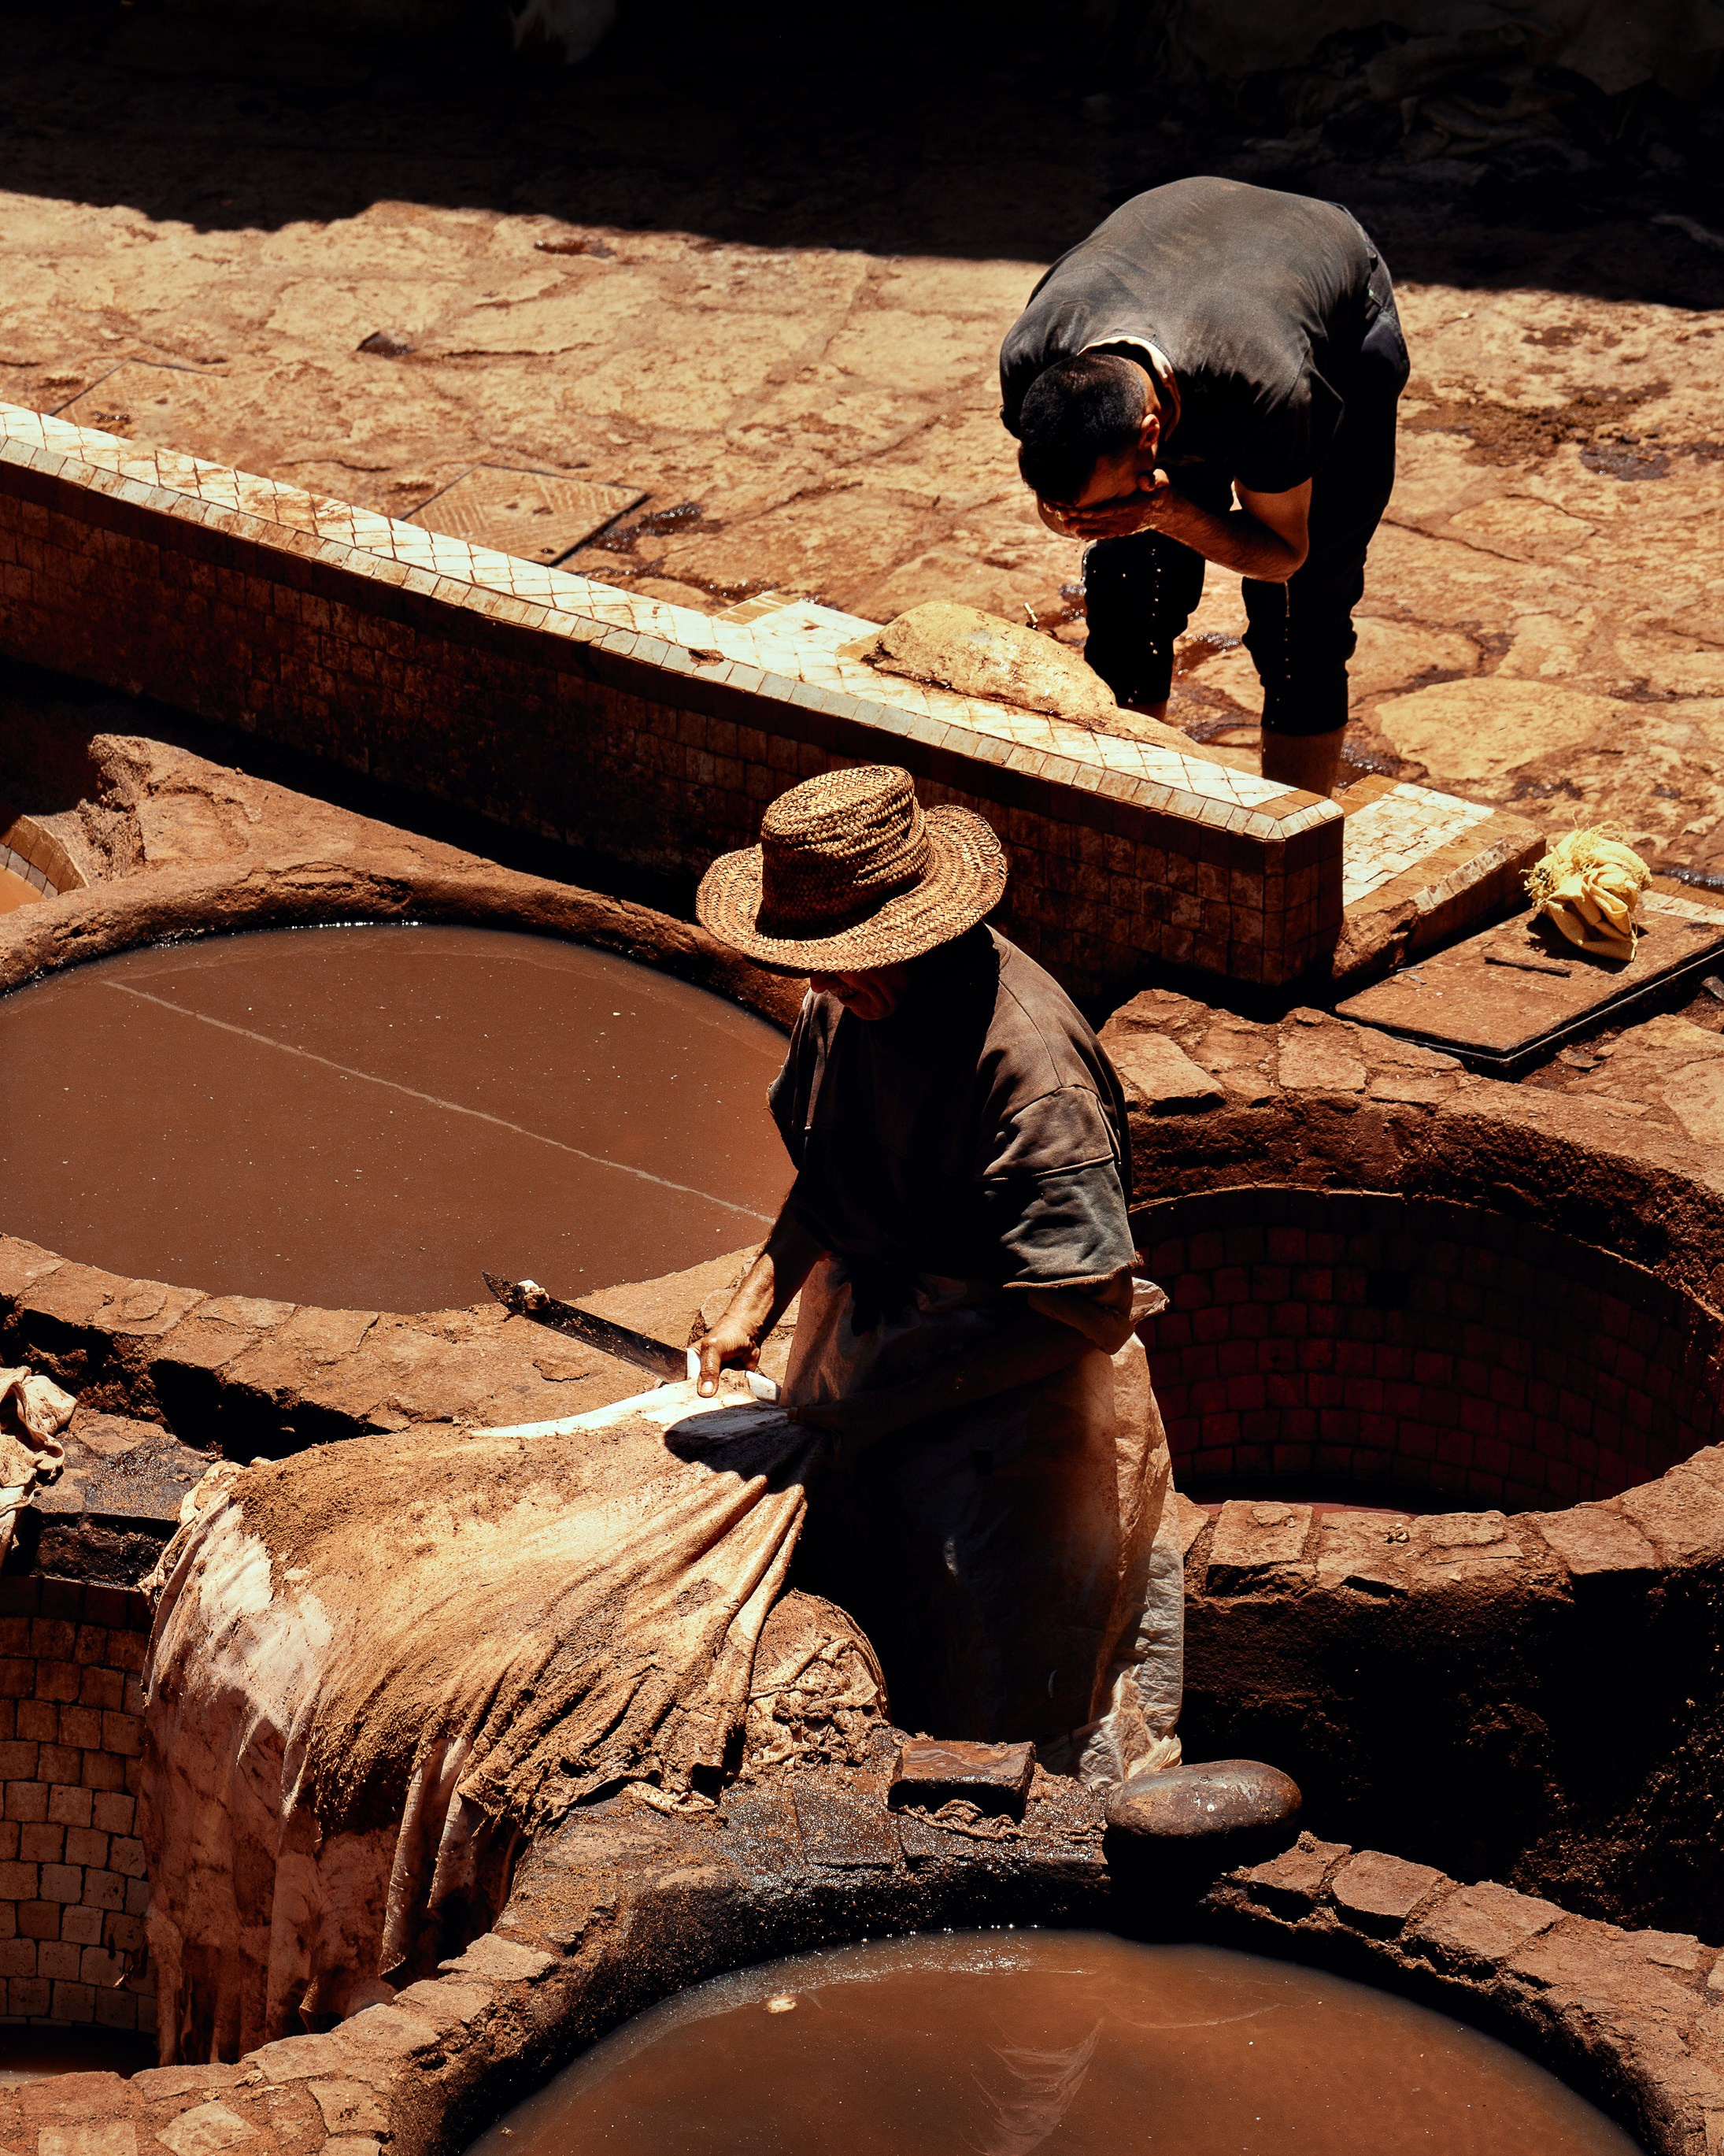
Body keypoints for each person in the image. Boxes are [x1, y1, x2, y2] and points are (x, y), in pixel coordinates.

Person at [691, 762, 1185, 1791]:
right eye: (813, 961)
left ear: (920, 929)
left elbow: (1082, 1314)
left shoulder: (1031, 1070)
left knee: (1030, 1700)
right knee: (876, 1630)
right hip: (875, 1358)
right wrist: (752, 1303)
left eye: (842, 960)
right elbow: (828, 1181)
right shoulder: (844, 1006)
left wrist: (904, 1406)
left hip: (1023, 1419)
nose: (821, 982)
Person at [1000, 174, 1411, 800]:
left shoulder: (1268, 389)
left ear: (1150, 432)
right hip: (1184, 244)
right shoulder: (1035, 361)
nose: (1089, 522)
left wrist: (1166, 509)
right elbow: (1074, 497)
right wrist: (1094, 517)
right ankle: (1127, 808)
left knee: (1302, 618)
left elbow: (1283, 554)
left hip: (1331, 301)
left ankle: (1295, 842)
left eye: (1108, 503)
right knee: (1126, 589)